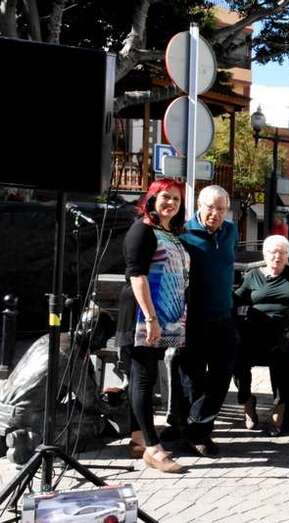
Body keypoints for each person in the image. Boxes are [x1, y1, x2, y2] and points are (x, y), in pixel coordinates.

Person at [116, 178, 189, 473]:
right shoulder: (142, 229)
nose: (170, 202)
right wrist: (150, 318)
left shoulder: (170, 233)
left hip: (166, 315)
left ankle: (137, 438)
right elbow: (137, 276)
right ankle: (152, 447)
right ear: (152, 199)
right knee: (144, 377)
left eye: (176, 198)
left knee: (142, 376)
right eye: (165, 197)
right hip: (143, 315)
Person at [176, 185, 239, 457]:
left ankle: (195, 424)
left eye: (221, 209)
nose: (216, 213)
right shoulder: (184, 234)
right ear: (199, 206)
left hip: (223, 315)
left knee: (223, 372)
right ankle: (197, 432)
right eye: (211, 207)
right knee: (192, 377)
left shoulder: (231, 231)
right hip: (193, 318)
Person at [233, 235, 289, 431]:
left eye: (282, 253)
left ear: (287, 256)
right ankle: (247, 401)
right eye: (273, 252)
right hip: (254, 327)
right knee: (237, 356)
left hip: (284, 329)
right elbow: (237, 298)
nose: (277, 256)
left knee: (281, 357)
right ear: (264, 254)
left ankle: (279, 406)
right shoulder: (253, 275)